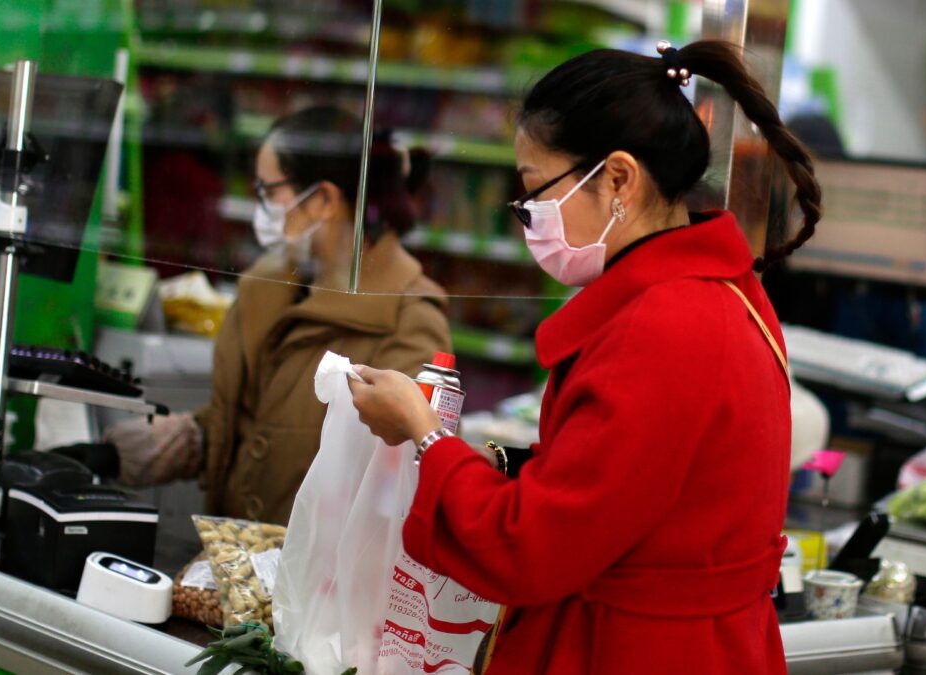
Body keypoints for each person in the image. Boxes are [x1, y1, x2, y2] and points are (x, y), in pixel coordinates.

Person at [348, 41, 821, 674]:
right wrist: (498, 462)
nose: (529, 219)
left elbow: (533, 546)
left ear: (619, 178)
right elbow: (628, 488)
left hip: (632, 650)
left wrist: (423, 433)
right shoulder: (727, 292)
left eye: (534, 193)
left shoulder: (662, 327)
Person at [107, 106, 451, 525]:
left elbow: (401, 475)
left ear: (323, 199)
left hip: (317, 581)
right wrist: (130, 452)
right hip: (234, 567)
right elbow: (238, 419)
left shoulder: (409, 317)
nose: (261, 206)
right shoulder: (267, 287)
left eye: (269, 191)